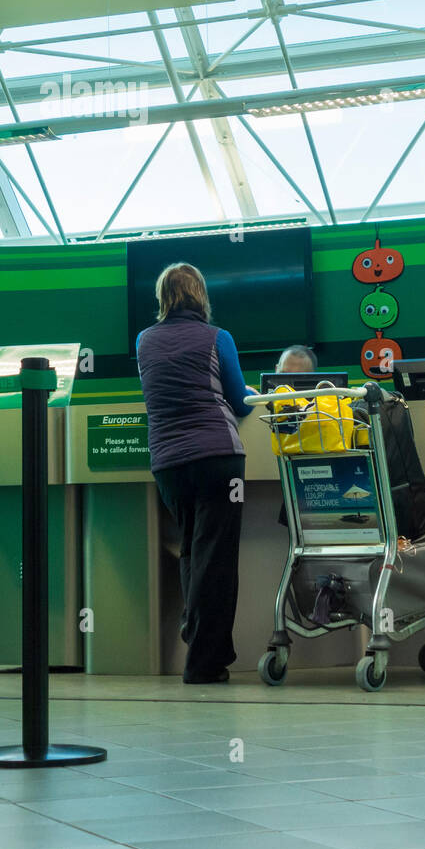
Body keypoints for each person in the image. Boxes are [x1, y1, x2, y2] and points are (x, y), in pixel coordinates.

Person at [136, 263, 255, 685]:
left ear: (162, 297)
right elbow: (240, 402)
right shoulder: (217, 338)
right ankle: (205, 661)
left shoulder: (144, 341)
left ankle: (197, 637)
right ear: (201, 295)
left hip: (169, 464)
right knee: (216, 559)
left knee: (191, 551)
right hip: (219, 459)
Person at [275, 345, 318, 528]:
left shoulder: (319, 411)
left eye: (295, 379)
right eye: (282, 374)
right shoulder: (264, 402)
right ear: (275, 370)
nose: (287, 386)